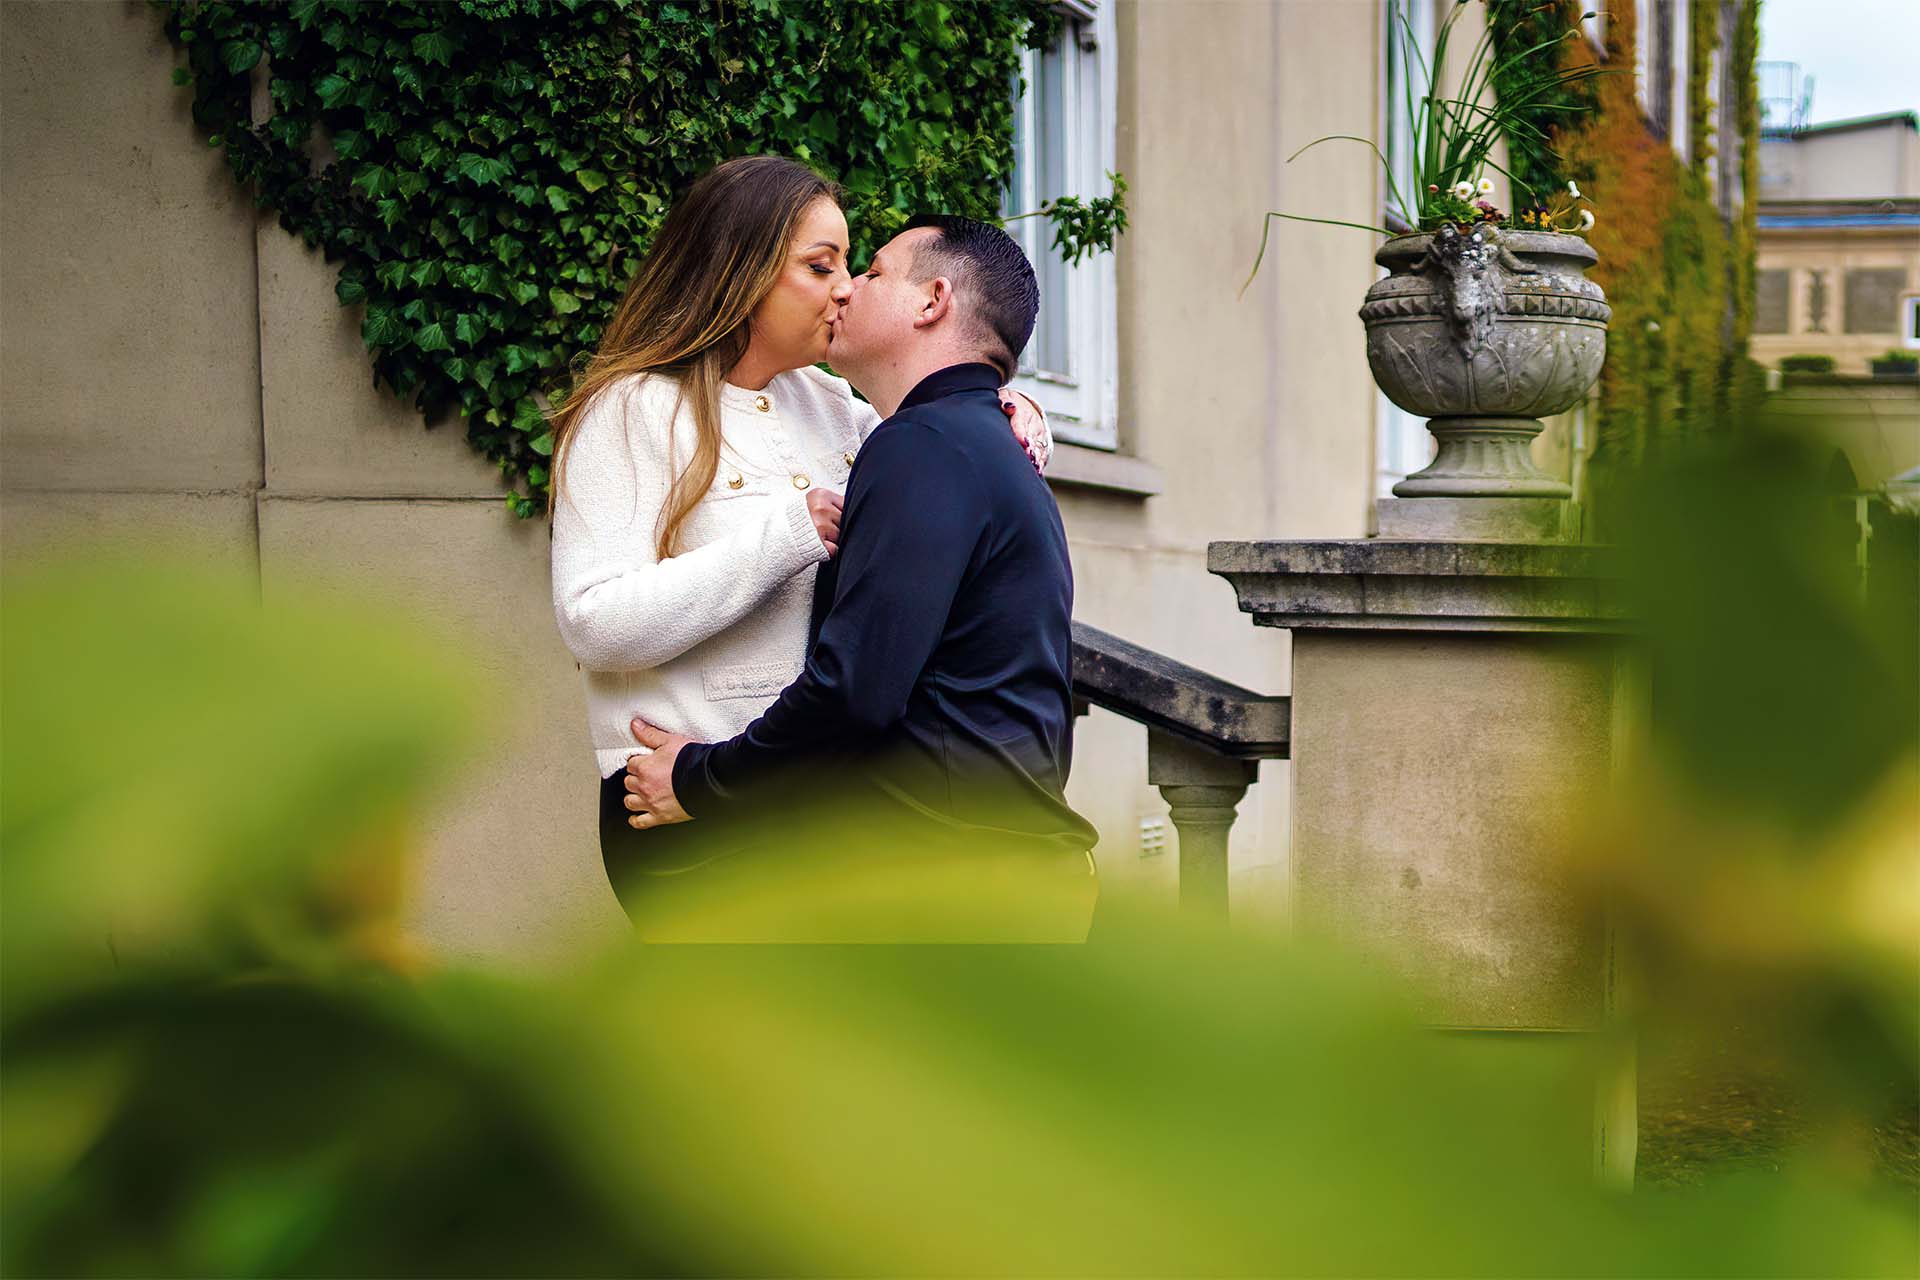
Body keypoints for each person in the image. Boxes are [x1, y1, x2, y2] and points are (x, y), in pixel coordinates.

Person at [548, 156, 1049, 921]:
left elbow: (944, 461)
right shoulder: (631, 411)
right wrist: (783, 536)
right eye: (822, 266)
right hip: (681, 805)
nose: (846, 287)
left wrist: (1014, 407)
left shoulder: (831, 405)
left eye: (852, 265)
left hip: (799, 805)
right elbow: (593, 620)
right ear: (740, 269)